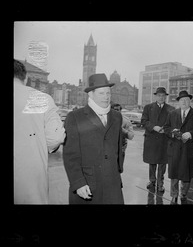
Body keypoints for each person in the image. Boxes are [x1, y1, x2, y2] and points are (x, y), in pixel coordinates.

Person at [63, 74, 124, 204]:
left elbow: (118, 148)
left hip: (113, 185)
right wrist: (78, 182)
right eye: (102, 93)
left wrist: (118, 173)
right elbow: (70, 155)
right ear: (91, 94)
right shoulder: (75, 117)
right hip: (87, 185)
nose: (107, 97)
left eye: (108, 93)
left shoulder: (117, 117)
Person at [14, 59, 65, 204]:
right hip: (29, 179)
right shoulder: (42, 99)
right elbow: (56, 137)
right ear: (25, 78)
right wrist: (43, 147)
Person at [164, 90, 193, 204]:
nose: (184, 102)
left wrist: (191, 134)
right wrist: (172, 132)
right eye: (182, 100)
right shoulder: (172, 113)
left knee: (186, 174)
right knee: (174, 173)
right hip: (174, 148)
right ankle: (174, 195)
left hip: (189, 149)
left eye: (186, 100)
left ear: (190, 101)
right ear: (178, 102)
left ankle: (184, 194)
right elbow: (166, 128)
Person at [141, 87, 175, 193]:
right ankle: (152, 181)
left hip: (164, 140)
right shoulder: (148, 107)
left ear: (166, 97)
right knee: (152, 162)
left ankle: (160, 184)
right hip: (151, 139)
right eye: (159, 95)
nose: (161, 97)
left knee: (162, 163)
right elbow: (144, 121)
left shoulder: (171, 109)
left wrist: (165, 129)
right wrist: (154, 127)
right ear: (155, 96)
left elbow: (173, 124)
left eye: (163, 96)